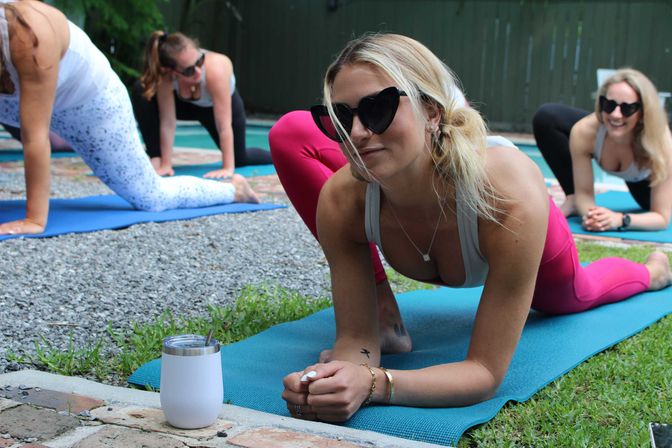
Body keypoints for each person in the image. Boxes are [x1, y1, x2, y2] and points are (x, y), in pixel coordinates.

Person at [273, 34, 672, 422]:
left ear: (432, 112)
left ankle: (652, 272)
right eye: (340, 117)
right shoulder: (343, 201)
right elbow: (358, 342)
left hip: (522, 224)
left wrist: (376, 384)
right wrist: (335, 380)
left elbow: (483, 372)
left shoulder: (506, 194)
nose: (357, 132)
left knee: (574, 295)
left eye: (379, 108)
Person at [0, 1, 258, 236]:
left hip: (91, 108)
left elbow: (34, 137)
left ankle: (233, 189)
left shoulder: (29, 33)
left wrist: (34, 219)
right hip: (22, 101)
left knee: (152, 197)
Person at [533, 68, 672, 231]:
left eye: (627, 108)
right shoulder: (584, 132)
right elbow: (584, 195)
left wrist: (620, 220)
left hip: (647, 184)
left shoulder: (660, 141)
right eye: (609, 105)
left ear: (642, 112)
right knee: (547, 116)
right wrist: (594, 216)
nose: (615, 114)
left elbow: (661, 217)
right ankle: (572, 198)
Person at [131, 31, 272, 178]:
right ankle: (156, 158)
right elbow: (168, 122)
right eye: (189, 70)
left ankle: (275, 156)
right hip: (186, 106)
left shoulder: (216, 70)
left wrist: (227, 168)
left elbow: (224, 125)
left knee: (239, 159)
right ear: (172, 72)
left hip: (217, 108)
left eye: (199, 61)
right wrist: (166, 165)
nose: (198, 71)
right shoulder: (165, 76)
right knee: (141, 89)